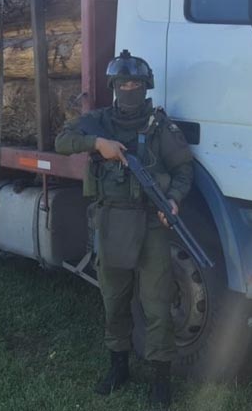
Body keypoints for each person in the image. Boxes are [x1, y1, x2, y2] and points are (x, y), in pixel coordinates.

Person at [54, 50, 194, 409]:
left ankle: (160, 380)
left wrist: (174, 200)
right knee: (114, 300)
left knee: (157, 305)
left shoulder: (161, 128)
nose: (128, 88)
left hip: (150, 223)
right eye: (122, 83)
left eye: (134, 83)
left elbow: (183, 170)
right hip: (111, 221)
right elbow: (63, 141)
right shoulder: (99, 121)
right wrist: (97, 144)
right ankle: (118, 368)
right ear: (113, 87)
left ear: (145, 87)